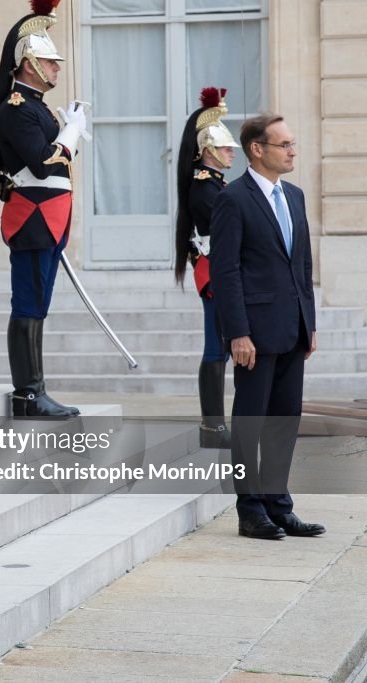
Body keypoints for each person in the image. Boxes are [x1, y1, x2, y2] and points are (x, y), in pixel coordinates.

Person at [210, 113, 325, 540]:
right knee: (251, 420)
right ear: (257, 149)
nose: (293, 151)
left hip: (292, 328)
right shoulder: (233, 199)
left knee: (283, 420)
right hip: (253, 334)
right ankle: (250, 508)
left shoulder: (293, 196)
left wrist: (308, 322)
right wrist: (237, 331)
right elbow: (226, 272)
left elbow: (303, 264)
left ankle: (279, 504)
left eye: (293, 144)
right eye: (284, 145)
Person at [0, 0, 86, 418]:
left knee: (39, 304)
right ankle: (28, 393)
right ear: (29, 63)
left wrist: (66, 132)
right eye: (49, 61)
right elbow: (44, 166)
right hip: (33, 217)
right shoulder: (16, 109)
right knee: (28, 303)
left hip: (49, 219)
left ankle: (36, 388)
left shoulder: (36, 106)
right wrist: (70, 135)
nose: (57, 68)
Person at [173, 87, 241, 449]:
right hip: (214, 271)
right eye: (227, 148)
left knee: (223, 348)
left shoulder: (215, 183)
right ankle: (212, 428)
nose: (232, 152)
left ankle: (215, 426)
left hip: (221, 269)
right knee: (215, 349)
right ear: (209, 150)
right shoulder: (203, 186)